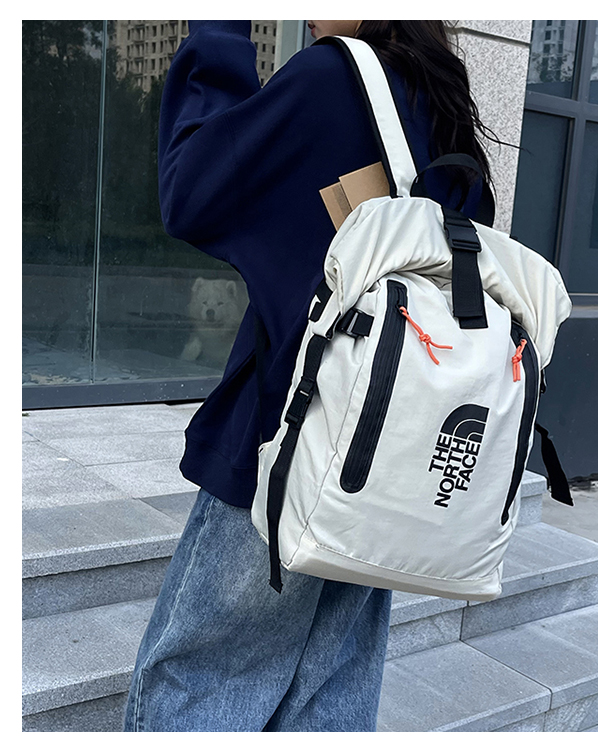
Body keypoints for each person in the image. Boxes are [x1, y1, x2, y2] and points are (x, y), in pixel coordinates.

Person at [124, 19, 502, 732]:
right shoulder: (439, 98)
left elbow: (194, 188)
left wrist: (220, 32)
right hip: (389, 462)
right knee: (330, 692)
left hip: (292, 439)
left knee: (202, 683)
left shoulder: (333, 79)